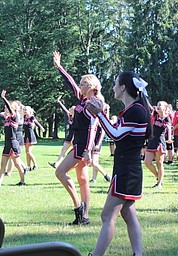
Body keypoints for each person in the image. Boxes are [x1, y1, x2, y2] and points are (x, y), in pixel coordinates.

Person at [86, 71, 152, 256]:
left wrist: (99, 114)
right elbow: (117, 131)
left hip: (127, 170)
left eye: (116, 84)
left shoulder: (136, 110)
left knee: (107, 215)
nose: (113, 88)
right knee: (128, 214)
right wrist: (101, 114)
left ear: (123, 87)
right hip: (127, 168)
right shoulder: (134, 109)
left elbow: (115, 135)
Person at [53, 50, 103, 225]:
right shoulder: (83, 99)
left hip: (83, 148)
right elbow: (70, 82)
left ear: (89, 87)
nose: (79, 86)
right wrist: (59, 67)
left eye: (83, 84)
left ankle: (79, 209)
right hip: (80, 145)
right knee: (82, 181)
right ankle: (84, 217)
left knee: (60, 172)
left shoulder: (94, 104)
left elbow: (93, 129)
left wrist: (89, 151)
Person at [0, 90, 26, 186]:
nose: (5, 108)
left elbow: (10, 108)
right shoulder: (7, 119)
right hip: (7, 144)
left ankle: (22, 181)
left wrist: (3, 98)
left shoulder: (15, 117)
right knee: (2, 165)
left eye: (6, 107)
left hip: (13, 144)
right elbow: (1, 114)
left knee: (17, 164)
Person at [144, 100, 172, 189]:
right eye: (158, 104)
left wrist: (169, 138)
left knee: (159, 163)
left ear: (165, 107)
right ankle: (158, 176)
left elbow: (169, 128)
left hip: (160, 142)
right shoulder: (155, 115)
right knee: (147, 162)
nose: (158, 106)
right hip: (152, 140)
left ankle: (159, 183)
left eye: (160, 105)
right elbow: (149, 105)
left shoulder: (166, 118)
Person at [48, 96, 75, 169]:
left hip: (75, 137)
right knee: (63, 150)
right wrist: (59, 102)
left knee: (75, 153)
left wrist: (73, 139)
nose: (69, 110)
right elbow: (64, 109)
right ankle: (56, 164)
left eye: (71, 109)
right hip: (69, 136)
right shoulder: (70, 116)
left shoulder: (77, 118)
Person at [90, 103, 111, 183]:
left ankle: (106, 175)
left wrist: (98, 144)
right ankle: (94, 179)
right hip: (94, 142)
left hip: (97, 143)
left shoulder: (101, 119)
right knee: (95, 162)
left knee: (93, 162)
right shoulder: (97, 118)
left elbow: (102, 132)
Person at [23, 105, 45, 170]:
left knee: (29, 152)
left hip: (31, 136)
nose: (24, 111)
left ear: (29, 111)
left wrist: (41, 128)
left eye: (25, 110)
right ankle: (28, 166)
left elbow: (36, 122)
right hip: (26, 136)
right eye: (24, 110)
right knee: (27, 152)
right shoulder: (24, 117)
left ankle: (35, 164)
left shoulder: (31, 117)